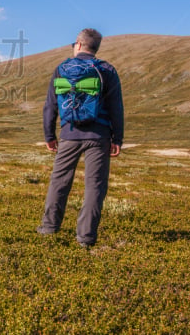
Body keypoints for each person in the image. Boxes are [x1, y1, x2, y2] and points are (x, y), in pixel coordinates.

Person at [37, 28, 124, 247]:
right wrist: (117, 138)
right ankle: (85, 238)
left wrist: (50, 135)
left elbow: (50, 105)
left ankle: (49, 227)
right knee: (94, 186)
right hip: (100, 136)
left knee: (59, 181)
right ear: (96, 47)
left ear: (78, 44)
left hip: (69, 134)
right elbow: (116, 108)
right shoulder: (107, 70)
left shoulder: (62, 68)